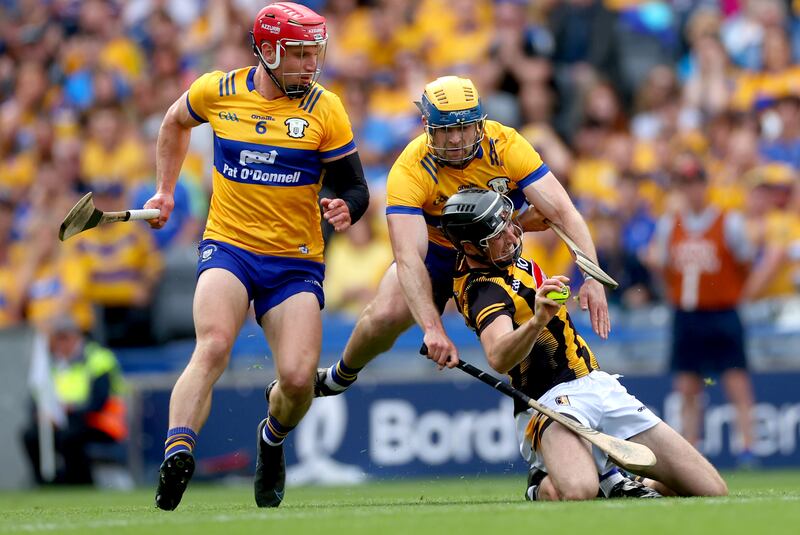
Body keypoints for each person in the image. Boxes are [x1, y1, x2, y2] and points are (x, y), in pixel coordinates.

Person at [143, 2, 369, 510]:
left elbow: (355, 185)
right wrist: (165, 190)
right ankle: (178, 451)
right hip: (230, 246)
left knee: (295, 380)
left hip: (295, 262)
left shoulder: (323, 108)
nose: (312, 65)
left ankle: (271, 438)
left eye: (316, 53)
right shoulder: (217, 91)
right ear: (267, 52)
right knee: (214, 344)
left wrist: (346, 208)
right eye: (300, 54)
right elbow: (174, 122)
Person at [291, 75, 609, 401]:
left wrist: (592, 277)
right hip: (438, 252)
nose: (456, 139)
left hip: (498, 248)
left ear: (480, 125)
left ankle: (562, 399)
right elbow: (408, 257)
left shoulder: (507, 145)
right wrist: (432, 328)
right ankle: (339, 376)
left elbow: (564, 212)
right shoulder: (411, 168)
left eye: (465, 127)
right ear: (428, 127)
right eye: (445, 130)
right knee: (384, 317)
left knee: (526, 326)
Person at [440, 188, 728, 500]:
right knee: (580, 490)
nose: (512, 235)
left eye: (509, 223)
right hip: (548, 402)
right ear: (471, 247)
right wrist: (537, 321)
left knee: (711, 490)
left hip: (597, 383)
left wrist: (529, 218)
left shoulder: (502, 254)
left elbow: (540, 215)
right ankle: (542, 484)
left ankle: (626, 483)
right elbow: (498, 356)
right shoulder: (484, 290)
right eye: (499, 233)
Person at [646, 153, 757, 466]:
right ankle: (691, 447)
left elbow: (745, 261)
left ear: (705, 185)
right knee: (687, 385)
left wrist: (735, 292)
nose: (691, 190)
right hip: (687, 313)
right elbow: (661, 266)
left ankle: (747, 447)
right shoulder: (670, 225)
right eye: (686, 184)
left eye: (696, 183)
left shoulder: (728, 221)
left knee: (736, 380)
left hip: (722, 311)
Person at [22, 317, 127, 486]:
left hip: (98, 421)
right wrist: (42, 413)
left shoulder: (99, 358)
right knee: (30, 435)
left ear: (77, 337)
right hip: (63, 420)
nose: (62, 344)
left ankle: (80, 482)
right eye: (58, 339)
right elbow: (37, 395)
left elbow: (99, 400)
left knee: (70, 436)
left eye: (65, 338)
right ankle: (45, 483)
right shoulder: (51, 363)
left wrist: (70, 409)